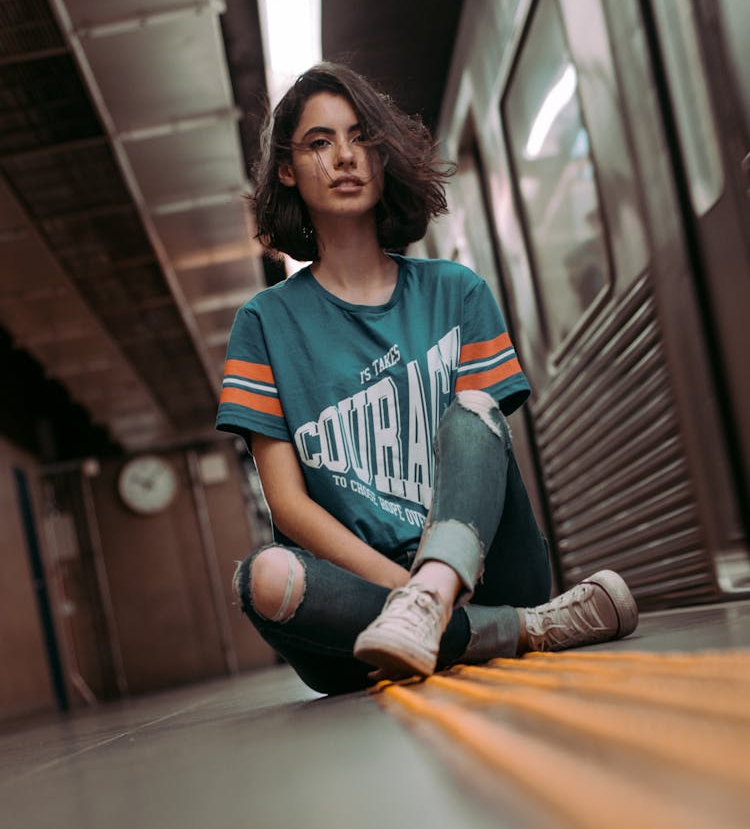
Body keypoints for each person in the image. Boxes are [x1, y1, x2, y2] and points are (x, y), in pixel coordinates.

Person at [216, 62, 637, 694]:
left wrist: (435, 583)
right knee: (266, 578)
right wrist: (406, 592)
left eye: (362, 138)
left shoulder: (455, 291)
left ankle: (450, 610)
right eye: (319, 143)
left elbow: (485, 443)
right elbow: (288, 505)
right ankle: (521, 629)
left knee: (473, 411)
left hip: (487, 568)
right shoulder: (264, 323)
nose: (345, 157)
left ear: (384, 158)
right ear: (287, 170)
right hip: (363, 599)